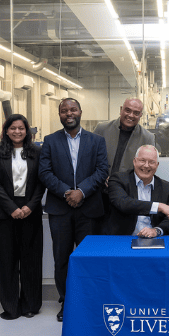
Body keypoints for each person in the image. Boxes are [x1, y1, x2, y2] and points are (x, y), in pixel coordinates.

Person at [39, 98, 109, 321]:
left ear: (80, 111)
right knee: (62, 258)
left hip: (89, 209)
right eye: (64, 110)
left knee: (87, 257)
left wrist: (82, 192)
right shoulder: (49, 141)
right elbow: (45, 172)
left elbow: (102, 170)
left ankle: (88, 300)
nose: (69, 113)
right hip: (60, 209)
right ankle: (67, 301)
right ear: (59, 114)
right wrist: (67, 192)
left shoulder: (97, 140)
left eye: (73, 109)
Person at [0, 114, 45, 320]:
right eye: (13, 128)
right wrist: (12, 208)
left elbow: (41, 182)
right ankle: (10, 306)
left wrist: (30, 206)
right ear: (6, 130)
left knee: (31, 259)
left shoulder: (37, 152)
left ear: (27, 131)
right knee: (6, 260)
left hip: (31, 210)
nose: (17, 132)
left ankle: (30, 304)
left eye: (21, 128)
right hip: (5, 212)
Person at [93, 97, 155, 233]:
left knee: (121, 240)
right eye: (128, 110)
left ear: (140, 115)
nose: (131, 115)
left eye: (136, 112)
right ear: (121, 110)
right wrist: (103, 178)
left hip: (126, 198)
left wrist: (118, 182)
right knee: (98, 240)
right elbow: (90, 159)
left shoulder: (147, 137)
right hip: (99, 195)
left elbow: (147, 169)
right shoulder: (102, 129)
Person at [108, 145, 169, 237]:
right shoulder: (118, 179)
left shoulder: (167, 188)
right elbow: (124, 203)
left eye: (151, 162)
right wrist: (159, 206)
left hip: (154, 241)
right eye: (142, 160)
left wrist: (156, 231)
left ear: (157, 165)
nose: (146, 165)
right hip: (122, 239)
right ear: (134, 161)